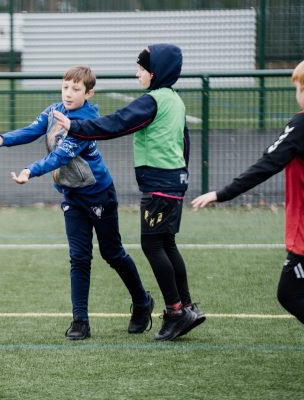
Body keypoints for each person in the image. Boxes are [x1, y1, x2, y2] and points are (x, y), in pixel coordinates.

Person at [54, 45, 205, 341]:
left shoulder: (152, 101)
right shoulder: (175, 99)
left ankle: (176, 312)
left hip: (160, 184)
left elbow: (117, 123)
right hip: (174, 181)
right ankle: (187, 306)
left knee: (152, 245)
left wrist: (75, 126)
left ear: (155, 73)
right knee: (167, 243)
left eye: (141, 69)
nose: (137, 74)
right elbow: (184, 141)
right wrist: (181, 175)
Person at [0, 66, 155, 340]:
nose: (68, 93)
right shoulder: (54, 111)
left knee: (112, 253)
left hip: (99, 195)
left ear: (89, 93)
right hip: (72, 196)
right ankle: (80, 320)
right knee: (79, 257)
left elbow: (60, 155)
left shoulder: (87, 122)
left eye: (76, 89)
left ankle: (142, 302)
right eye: (65, 87)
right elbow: (30, 131)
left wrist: (30, 171)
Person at [192, 60, 304, 324]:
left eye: (298, 87)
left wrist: (222, 194)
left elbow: (266, 165)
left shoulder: (300, 126)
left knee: (289, 292)